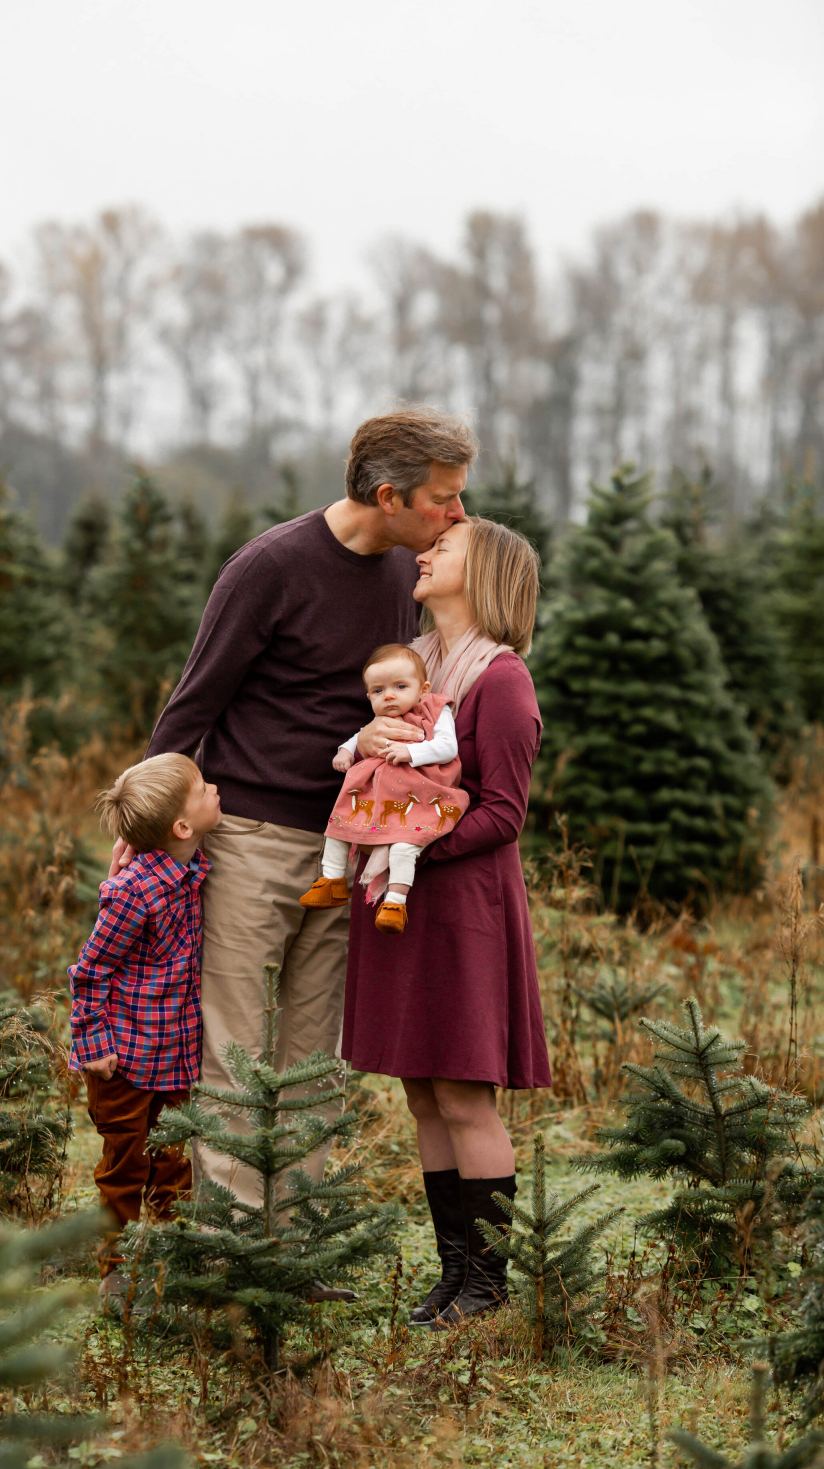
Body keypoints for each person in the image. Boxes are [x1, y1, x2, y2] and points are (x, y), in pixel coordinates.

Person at [109, 407, 477, 1207]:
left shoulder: (398, 578)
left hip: (351, 844)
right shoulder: (270, 565)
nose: (457, 515)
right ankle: (235, 1248)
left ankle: (296, 1244)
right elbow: (194, 700)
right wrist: (143, 828)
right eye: (443, 499)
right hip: (251, 839)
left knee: (317, 1052)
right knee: (235, 1045)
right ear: (390, 496)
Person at [342, 516, 552, 1329]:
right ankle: (453, 1275)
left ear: (488, 571)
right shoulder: (407, 670)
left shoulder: (500, 680)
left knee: (465, 1096)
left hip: (460, 903)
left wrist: (412, 847)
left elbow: (503, 812)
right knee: (423, 1094)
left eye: (444, 549)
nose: (422, 556)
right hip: (396, 902)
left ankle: (489, 1289)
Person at [68, 752, 222, 1288]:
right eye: (203, 789)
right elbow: (90, 971)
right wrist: (93, 1043)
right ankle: (114, 1271)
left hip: (175, 1056)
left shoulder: (192, 870)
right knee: (125, 1167)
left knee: (174, 1165)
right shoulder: (132, 891)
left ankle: (171, 1263)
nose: (215, 789)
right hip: (123, 1063)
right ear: (182, 826)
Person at [299, 643, 469, 934]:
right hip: (380, 792)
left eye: (400, 686)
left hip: (422, 793)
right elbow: (357, 737)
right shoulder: (381, 720)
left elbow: (447, 747)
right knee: (340, 826)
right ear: (369, 696)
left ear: (423, 688)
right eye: (378, 691)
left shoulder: (435, 708)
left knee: (405, 845)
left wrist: (412, 754)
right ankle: (331, 881)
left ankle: (395, 901)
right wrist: (344, 752)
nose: (389, 695)